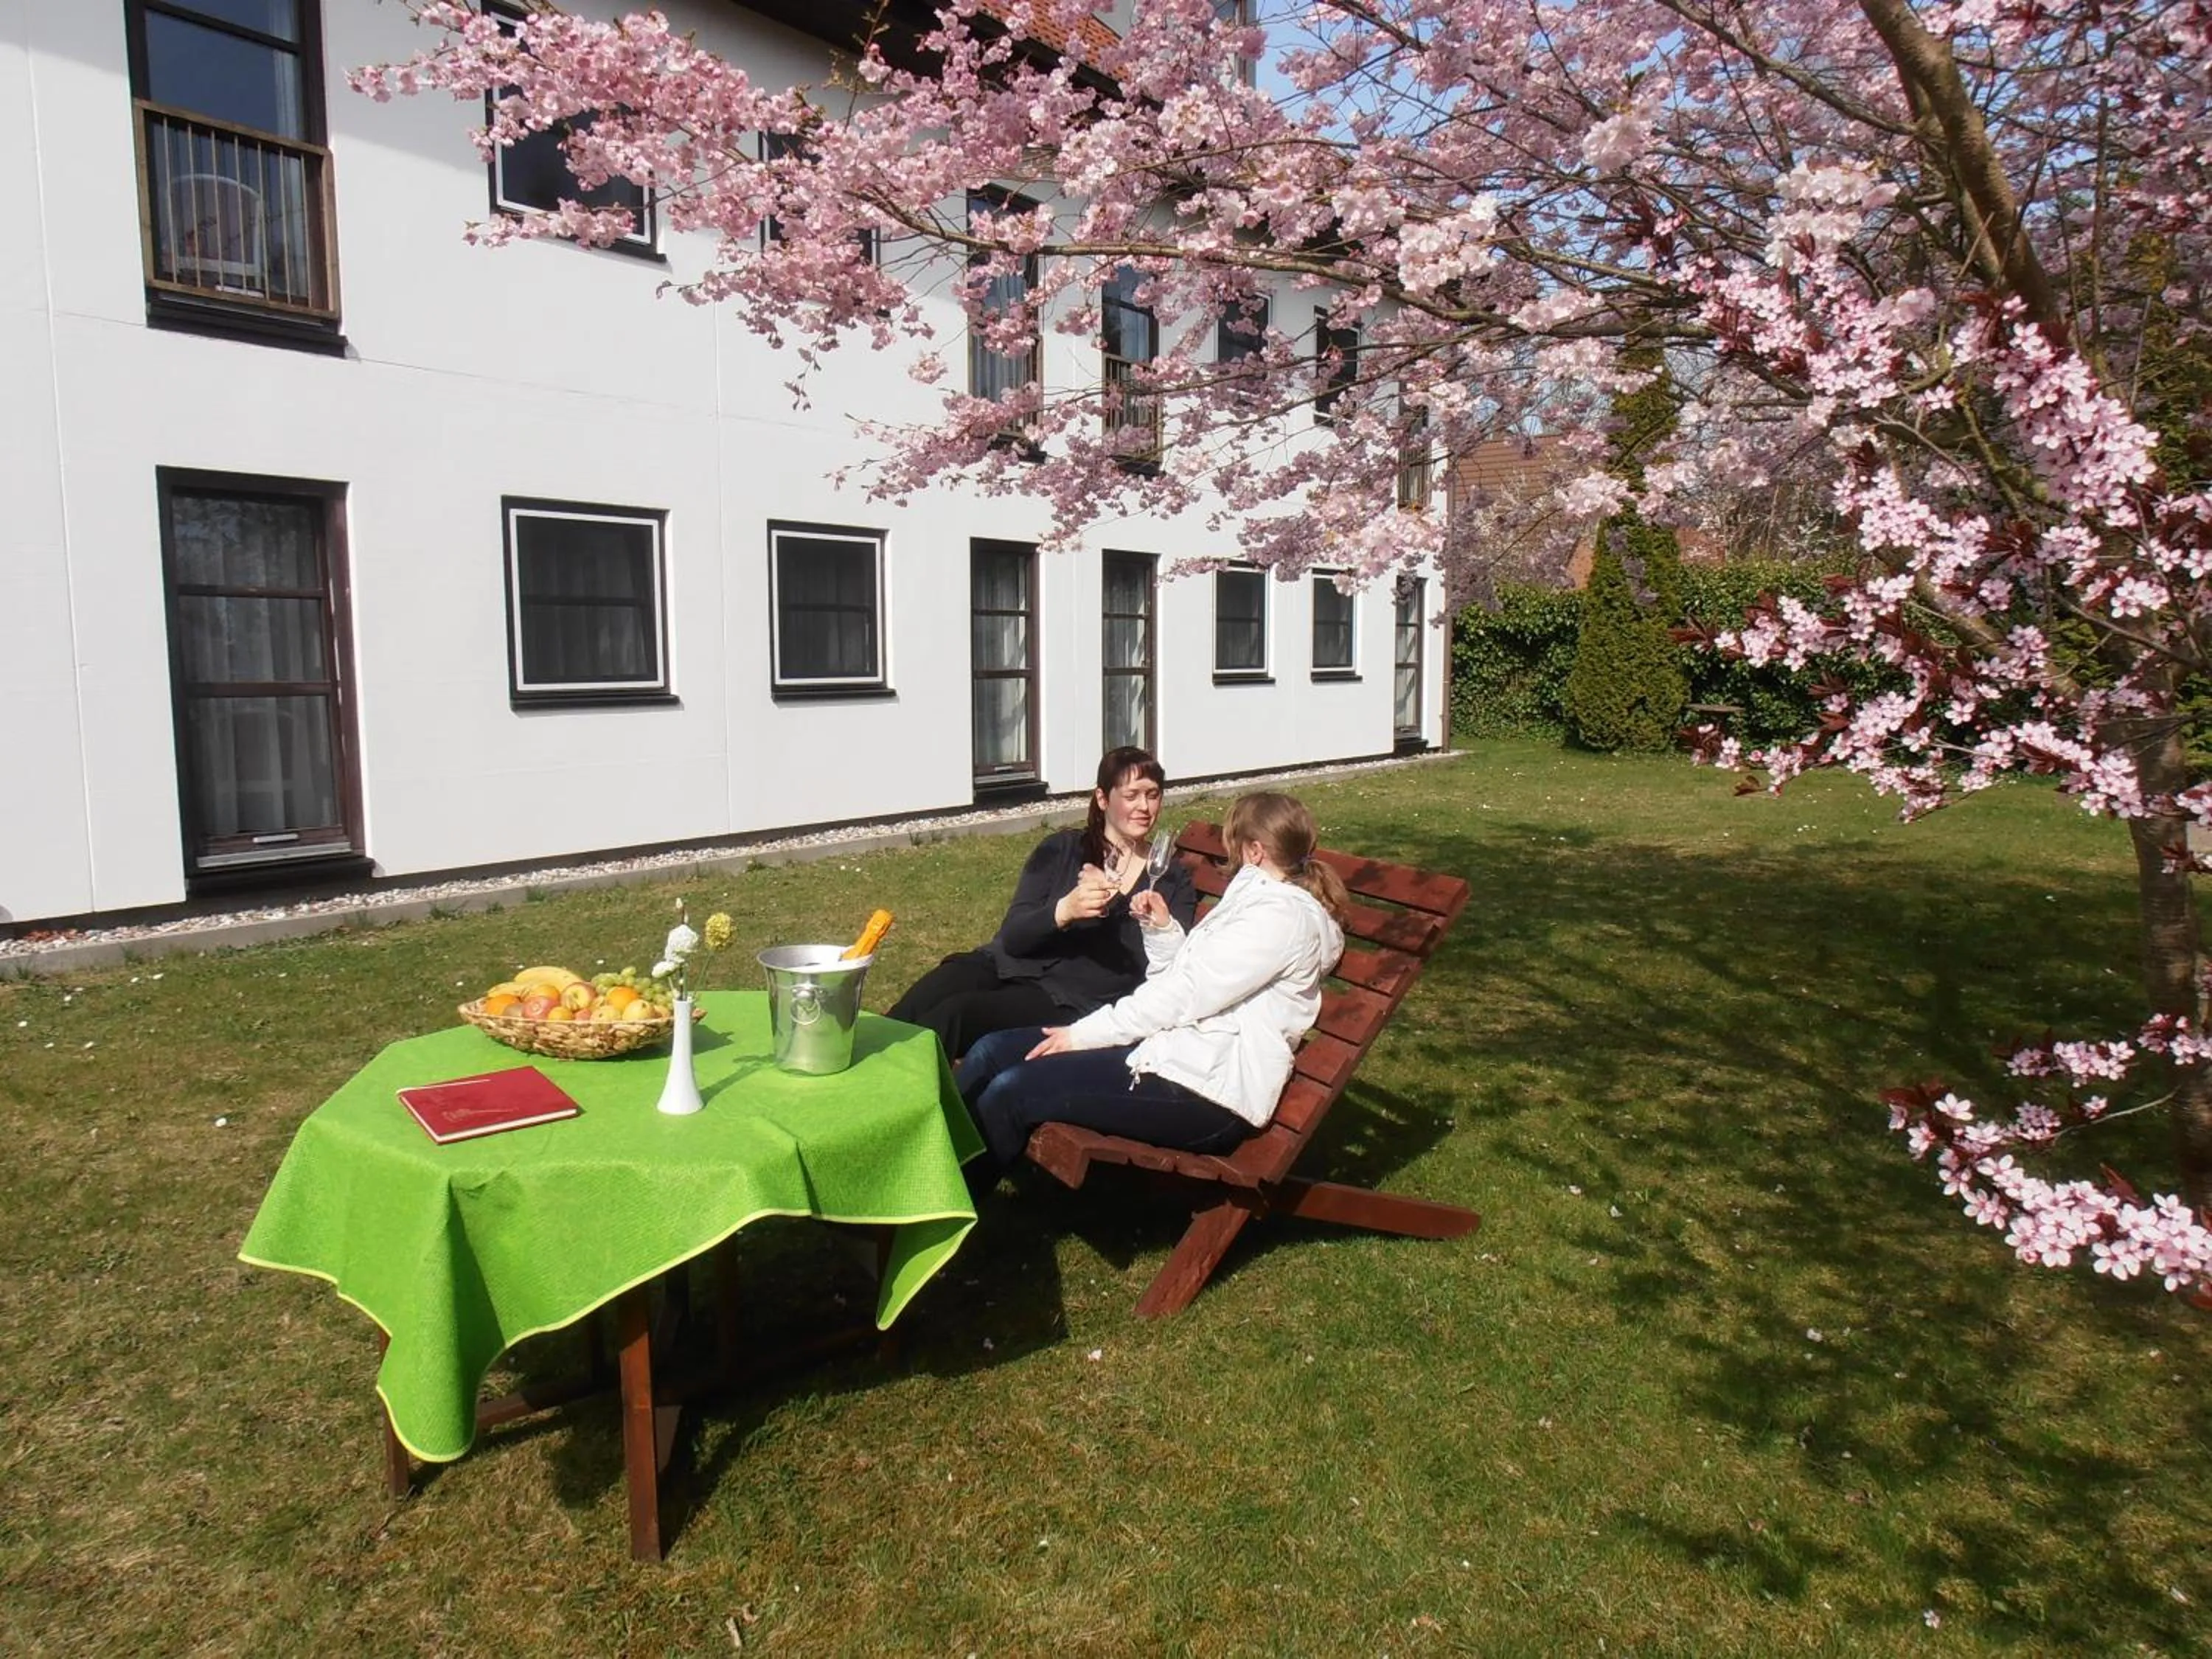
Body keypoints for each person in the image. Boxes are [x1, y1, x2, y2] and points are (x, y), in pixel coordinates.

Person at [954, 790, 1350, 1174]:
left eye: (1234, 846)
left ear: (1254, 851)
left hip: (1208, 1094)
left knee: (1014, 1090)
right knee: (992, 1050)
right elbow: (1190, 984)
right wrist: (1162, 932)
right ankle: (924, 1172)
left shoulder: (1279, 919)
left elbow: (1185, 995)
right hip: (1172, 1057)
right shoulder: (1255, 904)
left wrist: (1081, 1035)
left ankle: (941, 1222)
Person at [886, 747, 1200, 1060]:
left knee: (955, 1016)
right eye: (1132, 796)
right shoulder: (1062, 849)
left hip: (1068, 998)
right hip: (1006, 964)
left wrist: (1154, 925)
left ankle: (897, 1101)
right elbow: (1013, 938)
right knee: (920, 1002)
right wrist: (1064, 911)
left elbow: (1158, 972)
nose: (1144, 807)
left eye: (1153, 795)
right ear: (1103, 799)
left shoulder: (1172, 881)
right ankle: (855, 1085)